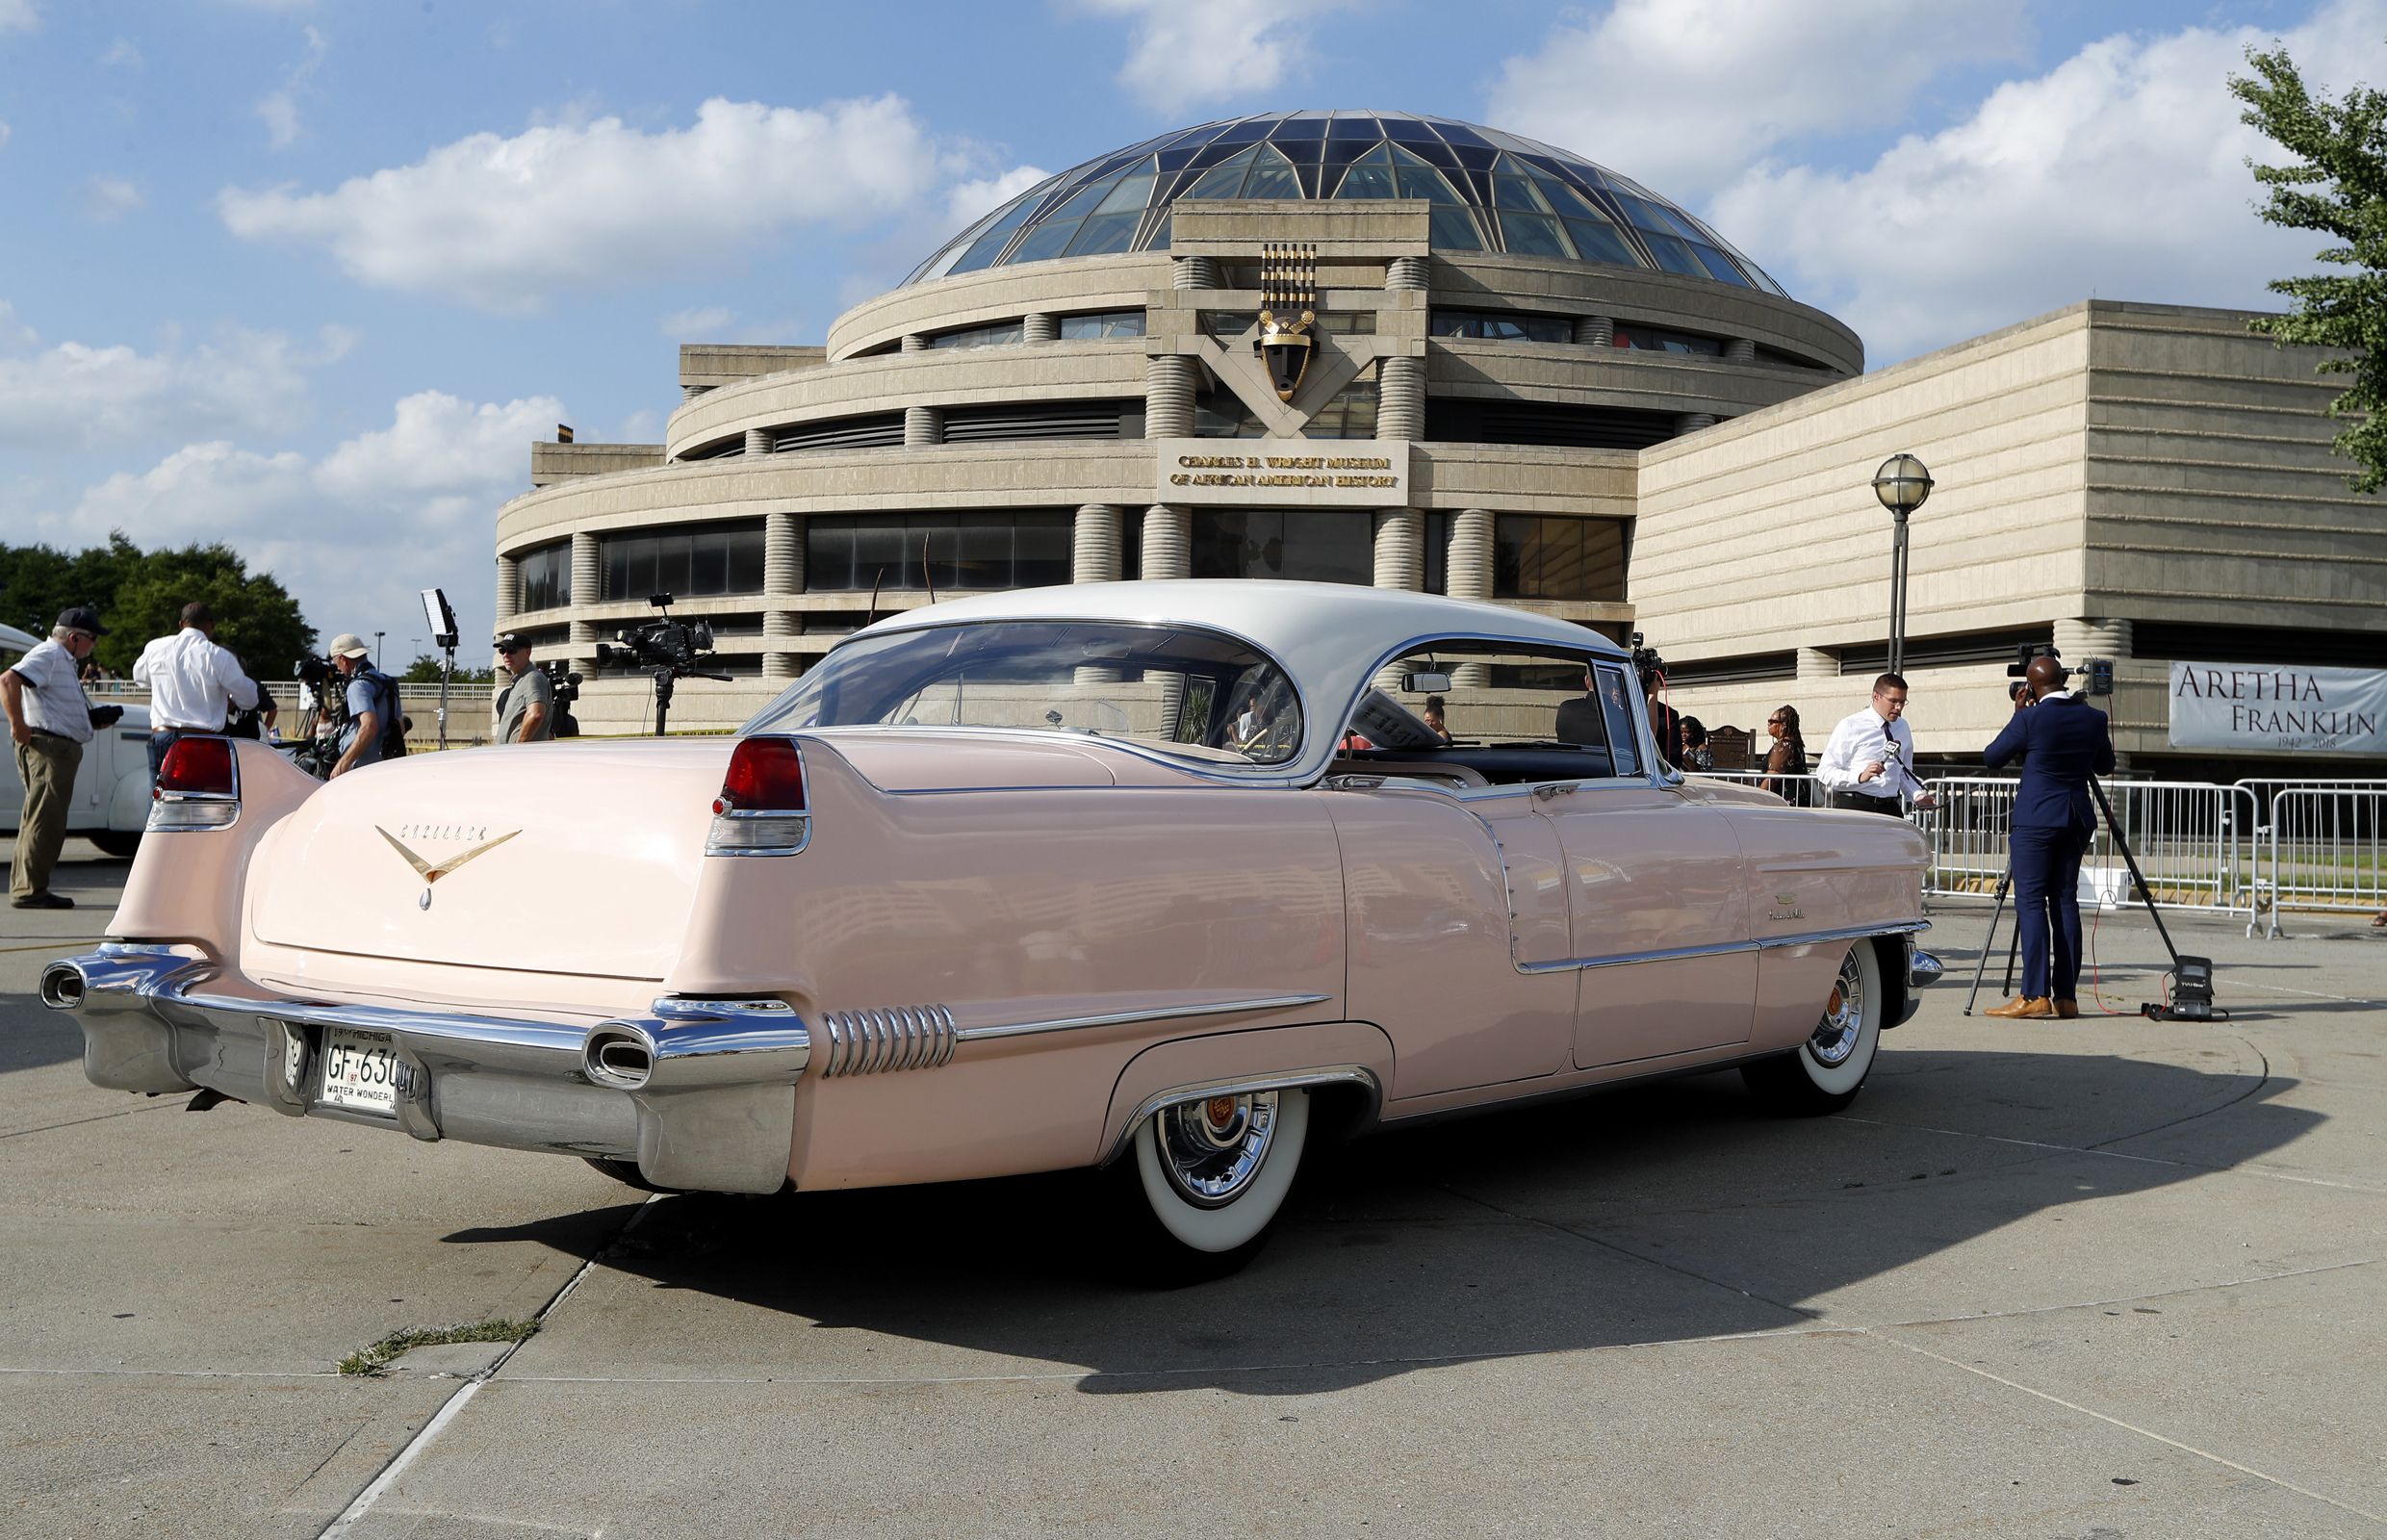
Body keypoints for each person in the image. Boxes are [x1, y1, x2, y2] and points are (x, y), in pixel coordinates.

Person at [1981, 654, 2117, 1020]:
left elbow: (1992, 756)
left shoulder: (2030, 717)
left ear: (2031, 687)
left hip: (2037, 819)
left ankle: (2035, 994)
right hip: (2075, 816)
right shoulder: (2092, 717)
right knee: (2065, 902)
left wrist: (2018, 713)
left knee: (2030, 903)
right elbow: (2105, 766)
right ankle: (2067, 996)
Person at [4, 607, 104, 909]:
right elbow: (8, 680)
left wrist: (91, 721)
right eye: (92, 639)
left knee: (40, 817)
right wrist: (17, 725)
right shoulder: (49, 654)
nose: (94, 645)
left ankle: (28, 886)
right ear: (74, 637)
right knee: (45, 819)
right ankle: (30, 891)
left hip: (55, 745)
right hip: (49, 748)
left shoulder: (60, 659)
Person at [131, 601, 273, 780]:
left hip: (162, 736)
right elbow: (250, 698)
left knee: (159, 802)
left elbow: (140, 678)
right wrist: (227, 699)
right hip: (201, 741)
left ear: (181, 624)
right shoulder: (218, 656)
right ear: (212, 625)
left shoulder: (155, 648)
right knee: (202, 801)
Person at [1816, 673, 1938, 816]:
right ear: (1876, 697)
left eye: (1902, 702)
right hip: (1855, 806)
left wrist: (1918, 795)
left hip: (1890, 807)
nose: (1898, 707)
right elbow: (1824, 771)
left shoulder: (1903, 727)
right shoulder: (1850, 725)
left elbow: (1903, 771)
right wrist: (1860, 776)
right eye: (1893, 701)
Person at [325, 633, 400, 778]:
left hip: (361, 771)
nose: (338, 669)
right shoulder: (388, 682)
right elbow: (400, 725)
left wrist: (342, 764)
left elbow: (369, 726)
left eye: (336, 663)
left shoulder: (358, 686)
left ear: (343, 659)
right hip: (385, 768)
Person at [492, 633, 554, 745]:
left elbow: (535, 714)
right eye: (502, 650)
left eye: (511, 650)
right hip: (513, 756)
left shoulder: (532, 678)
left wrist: (519, 745)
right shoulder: (520, 681)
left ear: (527, 652)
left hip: (521, 757)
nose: (506, 655)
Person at [1761, 706, 1810, 806]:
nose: (1768, 724)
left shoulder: (1784, 746)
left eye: (1772, 721)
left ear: (1784, 725)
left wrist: (1757, 797)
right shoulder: (1794, 744)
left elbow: (1772, 777)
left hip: (1785, 802)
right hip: (1797, 800)